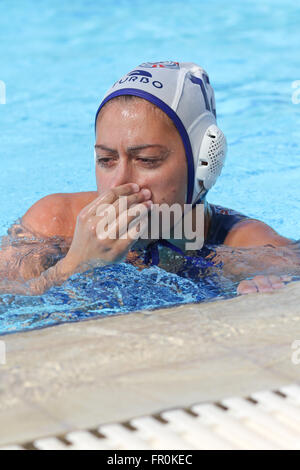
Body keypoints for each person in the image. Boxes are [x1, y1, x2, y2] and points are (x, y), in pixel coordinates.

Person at [0, 61, 296, 296]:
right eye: (106, 160)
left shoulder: (245, 247)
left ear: (204, 164)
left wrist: (269, 290)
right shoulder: (54, 224)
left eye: (147, 160)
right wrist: (69, 269)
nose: (118, 183)